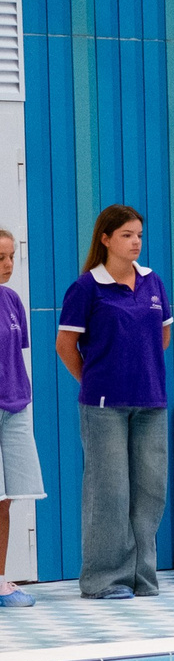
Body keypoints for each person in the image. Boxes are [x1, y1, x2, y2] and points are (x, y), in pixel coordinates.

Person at [56, 205, 173, 599]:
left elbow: (162, 337)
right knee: (110, 492)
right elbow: (65, 345)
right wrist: (95, 380)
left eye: (138, 234)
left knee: (150, 491)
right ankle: (104, 580)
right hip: (104, 407)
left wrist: (140, 371)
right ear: (105, 239)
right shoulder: (87, 288)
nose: (135, 242)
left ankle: (142, 577)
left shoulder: (153, 282)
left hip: (151, 401)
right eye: (126, 235)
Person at [0, 231, 36, 607]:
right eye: (0, 258)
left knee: (5, 500)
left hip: (14, 407)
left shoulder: (12, 300)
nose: (8, 265)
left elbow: (15, 355)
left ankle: (0, 582)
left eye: (11, 256)